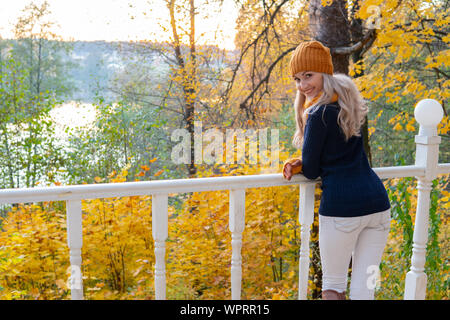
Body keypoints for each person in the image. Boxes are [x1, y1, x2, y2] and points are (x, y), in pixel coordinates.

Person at [282, 41, 391, 300]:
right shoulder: (347, 106)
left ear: (325, 73)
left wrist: (299, 163)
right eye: (297, 78)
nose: (302, 85)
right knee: (366, 287)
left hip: (342, 210)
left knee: (333, 286)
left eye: (308, 75)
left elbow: (311, 170)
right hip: (378, 207)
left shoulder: (317, 114)